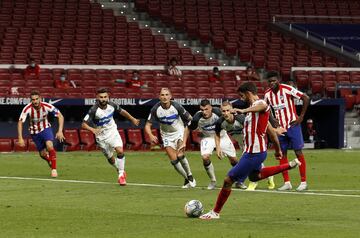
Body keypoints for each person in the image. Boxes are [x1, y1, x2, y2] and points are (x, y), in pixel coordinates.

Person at [200, 82, 301, 220]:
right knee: (254, 177)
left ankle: (215, 212)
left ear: (248, 93)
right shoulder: (253, 110)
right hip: (253, 152)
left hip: (255, 153)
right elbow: (271, 132)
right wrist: (277, 149)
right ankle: (288, 165)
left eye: (242, 96)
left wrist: (243, 111)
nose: (241, 99)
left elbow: (263, 106)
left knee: (228, 179)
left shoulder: (259, 104)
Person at [81, 88, 140, 186]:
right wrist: (93, 130)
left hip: (113, 132)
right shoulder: (93, 110)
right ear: (97, 98)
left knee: (120, 151)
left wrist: (132, 119)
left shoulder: (112, 105)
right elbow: (83, 124)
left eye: (105, 97)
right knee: (110, 159)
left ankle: (121, 175)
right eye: (101, 97)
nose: (103, 99)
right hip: (101, 137)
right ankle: (119, 169)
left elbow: (122, 111)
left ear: (108, 97)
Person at [264, 71, 310, 191]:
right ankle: (287, 182)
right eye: (270, 81)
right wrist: (273, 120)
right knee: (281, 154)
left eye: (274, 80)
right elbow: (265, 109)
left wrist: (301, 117)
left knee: (298, 152)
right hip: (280, 129)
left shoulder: (287, 89)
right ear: (267, 83)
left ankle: (303, 182)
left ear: (278, 80)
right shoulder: (267, 95)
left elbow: (306, 98)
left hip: (292, 125)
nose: (272, 83)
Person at [216, 101, 275, 191]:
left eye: (228, 110)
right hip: (242, 144)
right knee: (254, 164)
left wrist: (274, 131)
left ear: (231, 109)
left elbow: (259, 125)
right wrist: (218, 148)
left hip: (252, 142)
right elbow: (216, 134)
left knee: (249, 164)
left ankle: (248, 182)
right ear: (221, 111)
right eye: (223, 111)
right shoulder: (220, 122)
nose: (226, 113)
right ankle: (268, 175)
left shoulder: (240, 119)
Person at [188, 99, 246, 190]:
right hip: (207, 137)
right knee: (205, 157)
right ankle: (213, 181)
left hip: (222, 136)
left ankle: (239, 181)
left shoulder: (219, 112)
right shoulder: (197, 117)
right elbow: (188, 128)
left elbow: (225, 124)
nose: (204, 112)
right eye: (202, 110)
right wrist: (184, 142)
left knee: (234, 160)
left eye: (206, 109)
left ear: (211, 108)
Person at [144, 88, 196, 188]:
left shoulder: (177, 106)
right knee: (174, 161)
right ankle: (186, 179)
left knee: (180, 155)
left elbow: (190, 118)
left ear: (170, 96)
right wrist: (150, 135)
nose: (164, 97)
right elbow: (147, 125)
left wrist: (194, 126)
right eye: (162, 95)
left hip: (179, 132)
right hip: (166, 135)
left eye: (167, 95)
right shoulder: (155, 109)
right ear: (159, 97)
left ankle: (190, 176)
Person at [17, 90, 65, 177]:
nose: (35, 101)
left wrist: (60, 130)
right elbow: (20, 122)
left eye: (36, 99)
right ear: (31, 100)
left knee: (50, 145)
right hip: (34, 133)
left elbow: (60, 116)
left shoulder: (47, 106)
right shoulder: (27, 109)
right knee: (42, 154)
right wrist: (20, 137)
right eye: (33, 99)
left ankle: (54, 170)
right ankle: (49, 160)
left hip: (45, 128)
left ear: (40, 98)